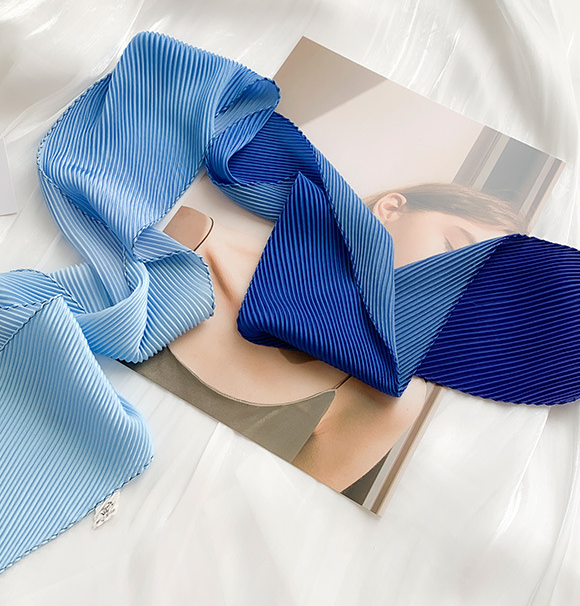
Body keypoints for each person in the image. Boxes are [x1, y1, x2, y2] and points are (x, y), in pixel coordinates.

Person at [133, 182, 527, 493]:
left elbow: (268, 529)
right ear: (390, 209)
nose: (450, 283)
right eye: (453, 250)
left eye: (472, 289)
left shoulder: (389, 401)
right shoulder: (194, 238)